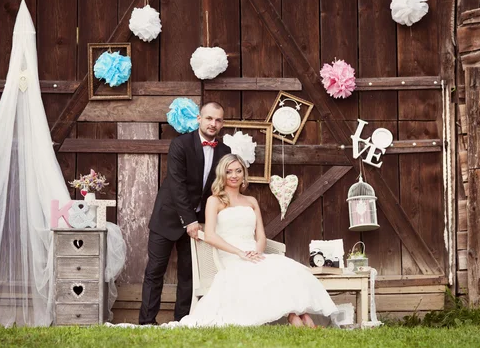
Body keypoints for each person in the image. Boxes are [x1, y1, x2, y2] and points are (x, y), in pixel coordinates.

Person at [178, 154, 339, 327]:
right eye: (229, 171)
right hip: (232, 257)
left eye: (238, 171)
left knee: (285, 268)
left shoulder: (251, 201)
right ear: (222, 174)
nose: (234, 175)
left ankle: (300, 316)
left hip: (254, 254)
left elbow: (260, 236)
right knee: (266, 273)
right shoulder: (214, 200)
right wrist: (240, 253)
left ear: (244, 174)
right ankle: (297, 319)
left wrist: (257, 252)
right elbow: (209, 235)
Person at [139, 102, 231, 325]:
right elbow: (177, 184)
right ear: (199, 119)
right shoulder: (180, 144)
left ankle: (182, 321)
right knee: (155, 270)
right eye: (209, 118)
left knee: (189, 274)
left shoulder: (225, 151)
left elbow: (218, 188)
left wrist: (205, 221)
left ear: (222, 123)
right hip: (168, 217)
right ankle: (147, 322)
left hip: (197, 224)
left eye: (218, 120)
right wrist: (189, 219)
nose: (213, 123)